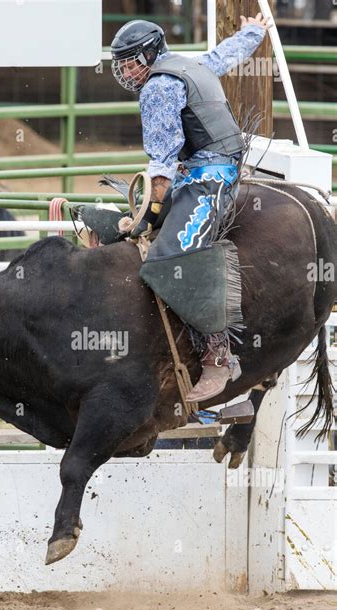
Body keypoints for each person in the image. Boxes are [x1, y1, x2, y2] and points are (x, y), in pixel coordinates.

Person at [110, 13, 272, 402]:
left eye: (130, 61)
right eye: (121, 63)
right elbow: (226, 54)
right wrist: (253, 31)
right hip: (214, 164)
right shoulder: (187, 65)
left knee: (171, 256)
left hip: (207, 176)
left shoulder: (158, 89)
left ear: (149, 55)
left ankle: (218, 354)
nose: (125, 70)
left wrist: (147, 213)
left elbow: (162, 167)